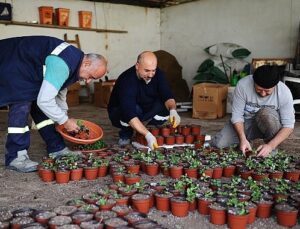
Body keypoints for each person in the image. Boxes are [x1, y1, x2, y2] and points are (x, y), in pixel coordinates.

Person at [0, 35, 107, 172]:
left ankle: (57, 148)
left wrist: (63, 117)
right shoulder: (63, 63)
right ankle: (16, 157)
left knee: (42, 109)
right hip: (13, 63)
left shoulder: (74, 64)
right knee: (22, 104)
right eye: (92, 77)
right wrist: (65, 121)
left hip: (27, 69)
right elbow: (45, 100)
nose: (88, 82)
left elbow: (59, 92)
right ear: (86, 64)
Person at [211, 65, 295, 157]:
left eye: (267, 91)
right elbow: (237, 116)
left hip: (268, 122)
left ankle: (271, 149)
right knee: (219, 144)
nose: (263, 94)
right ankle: (246, 142)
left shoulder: (284, 92)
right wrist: (242, 139)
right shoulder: (243, 85)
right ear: (253, 82)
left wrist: (270, 146)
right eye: (259, 89)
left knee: (265, 113)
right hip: (246, 122)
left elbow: (288, 125)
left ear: (275, 86)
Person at [108, 51, 181, 149]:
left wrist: (173, 110)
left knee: (165, 106)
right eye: (146, 70)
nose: (151, 75)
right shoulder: (127, 80)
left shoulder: (158, 74)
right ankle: (126, 133)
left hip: (144, 107)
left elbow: (167, 95)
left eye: (153, 70)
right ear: (137, 66)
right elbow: (129, 113)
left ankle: (149, 130)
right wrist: (148, 136)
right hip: (121, 112)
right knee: (131, 112)